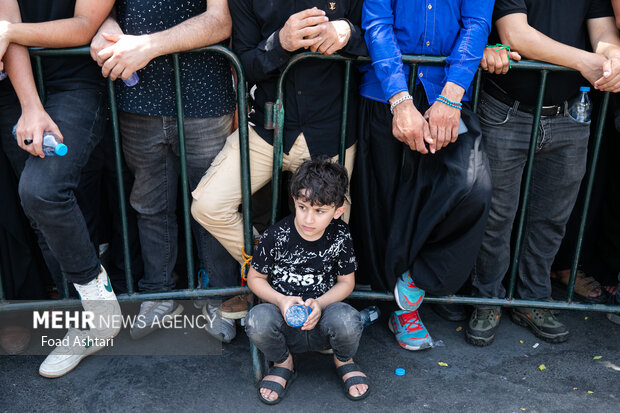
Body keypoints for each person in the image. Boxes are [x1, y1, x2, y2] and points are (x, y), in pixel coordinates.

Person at [191, 0, 367, 331]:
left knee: (334, 226)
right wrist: (279, 44)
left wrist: (348, 33)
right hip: (269, 129)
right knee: (208, 204)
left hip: (332, 130)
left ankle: (321, 317)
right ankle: (275, 270)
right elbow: (244, 63)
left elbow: (384, 37)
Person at [467, 0, 620, 346]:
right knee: (497, 215)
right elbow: (515, 34)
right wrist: (586, 61)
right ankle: (487, 299)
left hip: (570, 113)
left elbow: (604, 31)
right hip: (507, 110)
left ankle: (533, 299)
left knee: (552, 217)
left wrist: (613, 58)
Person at [89, 0, 240, 342]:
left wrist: (147, 46)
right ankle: (158, 295)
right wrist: (106, 23)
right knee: (149, 203)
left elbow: (221, 21)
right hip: (137, 98)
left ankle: (221, 296)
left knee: (213, 205)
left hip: (204, 96)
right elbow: (101, 8)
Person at [350, 0, 493, 350]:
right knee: (385, 203)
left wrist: (452, 94)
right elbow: (378, 23)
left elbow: (476, 24)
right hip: (386, 92)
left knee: (472, 186)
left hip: (446, 95)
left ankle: (415, 282)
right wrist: (399, 99)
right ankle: (398, 309)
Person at [0, 0, 121, 377]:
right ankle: (80, 322)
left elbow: (84, 25)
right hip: (17, 90)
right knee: (38, 211)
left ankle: (101, 310)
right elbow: (10, 24)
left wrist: (7, 32)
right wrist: (30, 106)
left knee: (42, 191)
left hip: (76, 81)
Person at [245, 157, 368, 404]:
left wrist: (320, 304)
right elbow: (255, 278)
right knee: (256, 320)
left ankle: (343, 359)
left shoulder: (341, 236)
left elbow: (347, 283)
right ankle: (283, 362)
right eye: (303, 207)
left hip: (323, 317)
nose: (308, 219)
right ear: (294, 202)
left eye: (320, 211)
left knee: (348, 319)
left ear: (338, 211)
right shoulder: (276, 235)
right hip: (283, 319)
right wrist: (280, 300)